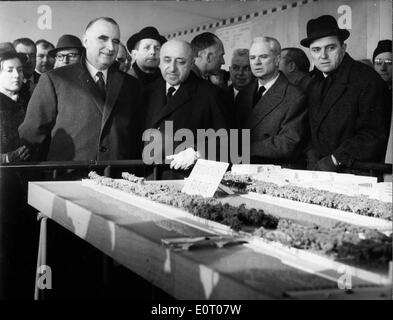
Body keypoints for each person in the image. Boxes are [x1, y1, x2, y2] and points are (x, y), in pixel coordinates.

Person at [19, 17, 142, 162]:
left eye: (115, 41)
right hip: (68, 178)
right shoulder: (55, 79)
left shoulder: (132, 85)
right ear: (85, 41)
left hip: (116, 179)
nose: (110, 47)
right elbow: (31, 137)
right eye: (103, 38)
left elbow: (135, 139)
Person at [301, 15, 390, 172]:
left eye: (331, 48)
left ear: (343, 47)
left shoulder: (367, 80)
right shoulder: (314, 82)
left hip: (355, 173)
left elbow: (373, 135)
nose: (323, 56)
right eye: (316, 50)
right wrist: (312, 155)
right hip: (319, 171)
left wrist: (335, 160)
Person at [142, 39, 228, 178]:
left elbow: (226, 140)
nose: (172, 68)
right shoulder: (147, 91)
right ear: (159, 61)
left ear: (192, 63)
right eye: (167, 60)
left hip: (186, 181)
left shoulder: (211, 94)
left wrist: (196, 151)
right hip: (148, 178)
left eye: (180, 62)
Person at [234, 36, 307, 166]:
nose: (256, 62)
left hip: (272, 171)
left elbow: (288, 143)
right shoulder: (244, 94)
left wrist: (245, 149)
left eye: (263, 57)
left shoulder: (294, 96)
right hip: (241, 167)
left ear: (277, 60)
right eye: (252, 58)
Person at [0, 51, 30, 163]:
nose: (17, 75)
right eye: (9, 70)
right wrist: (8, 158)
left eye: (20, 70)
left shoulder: (27, 100)